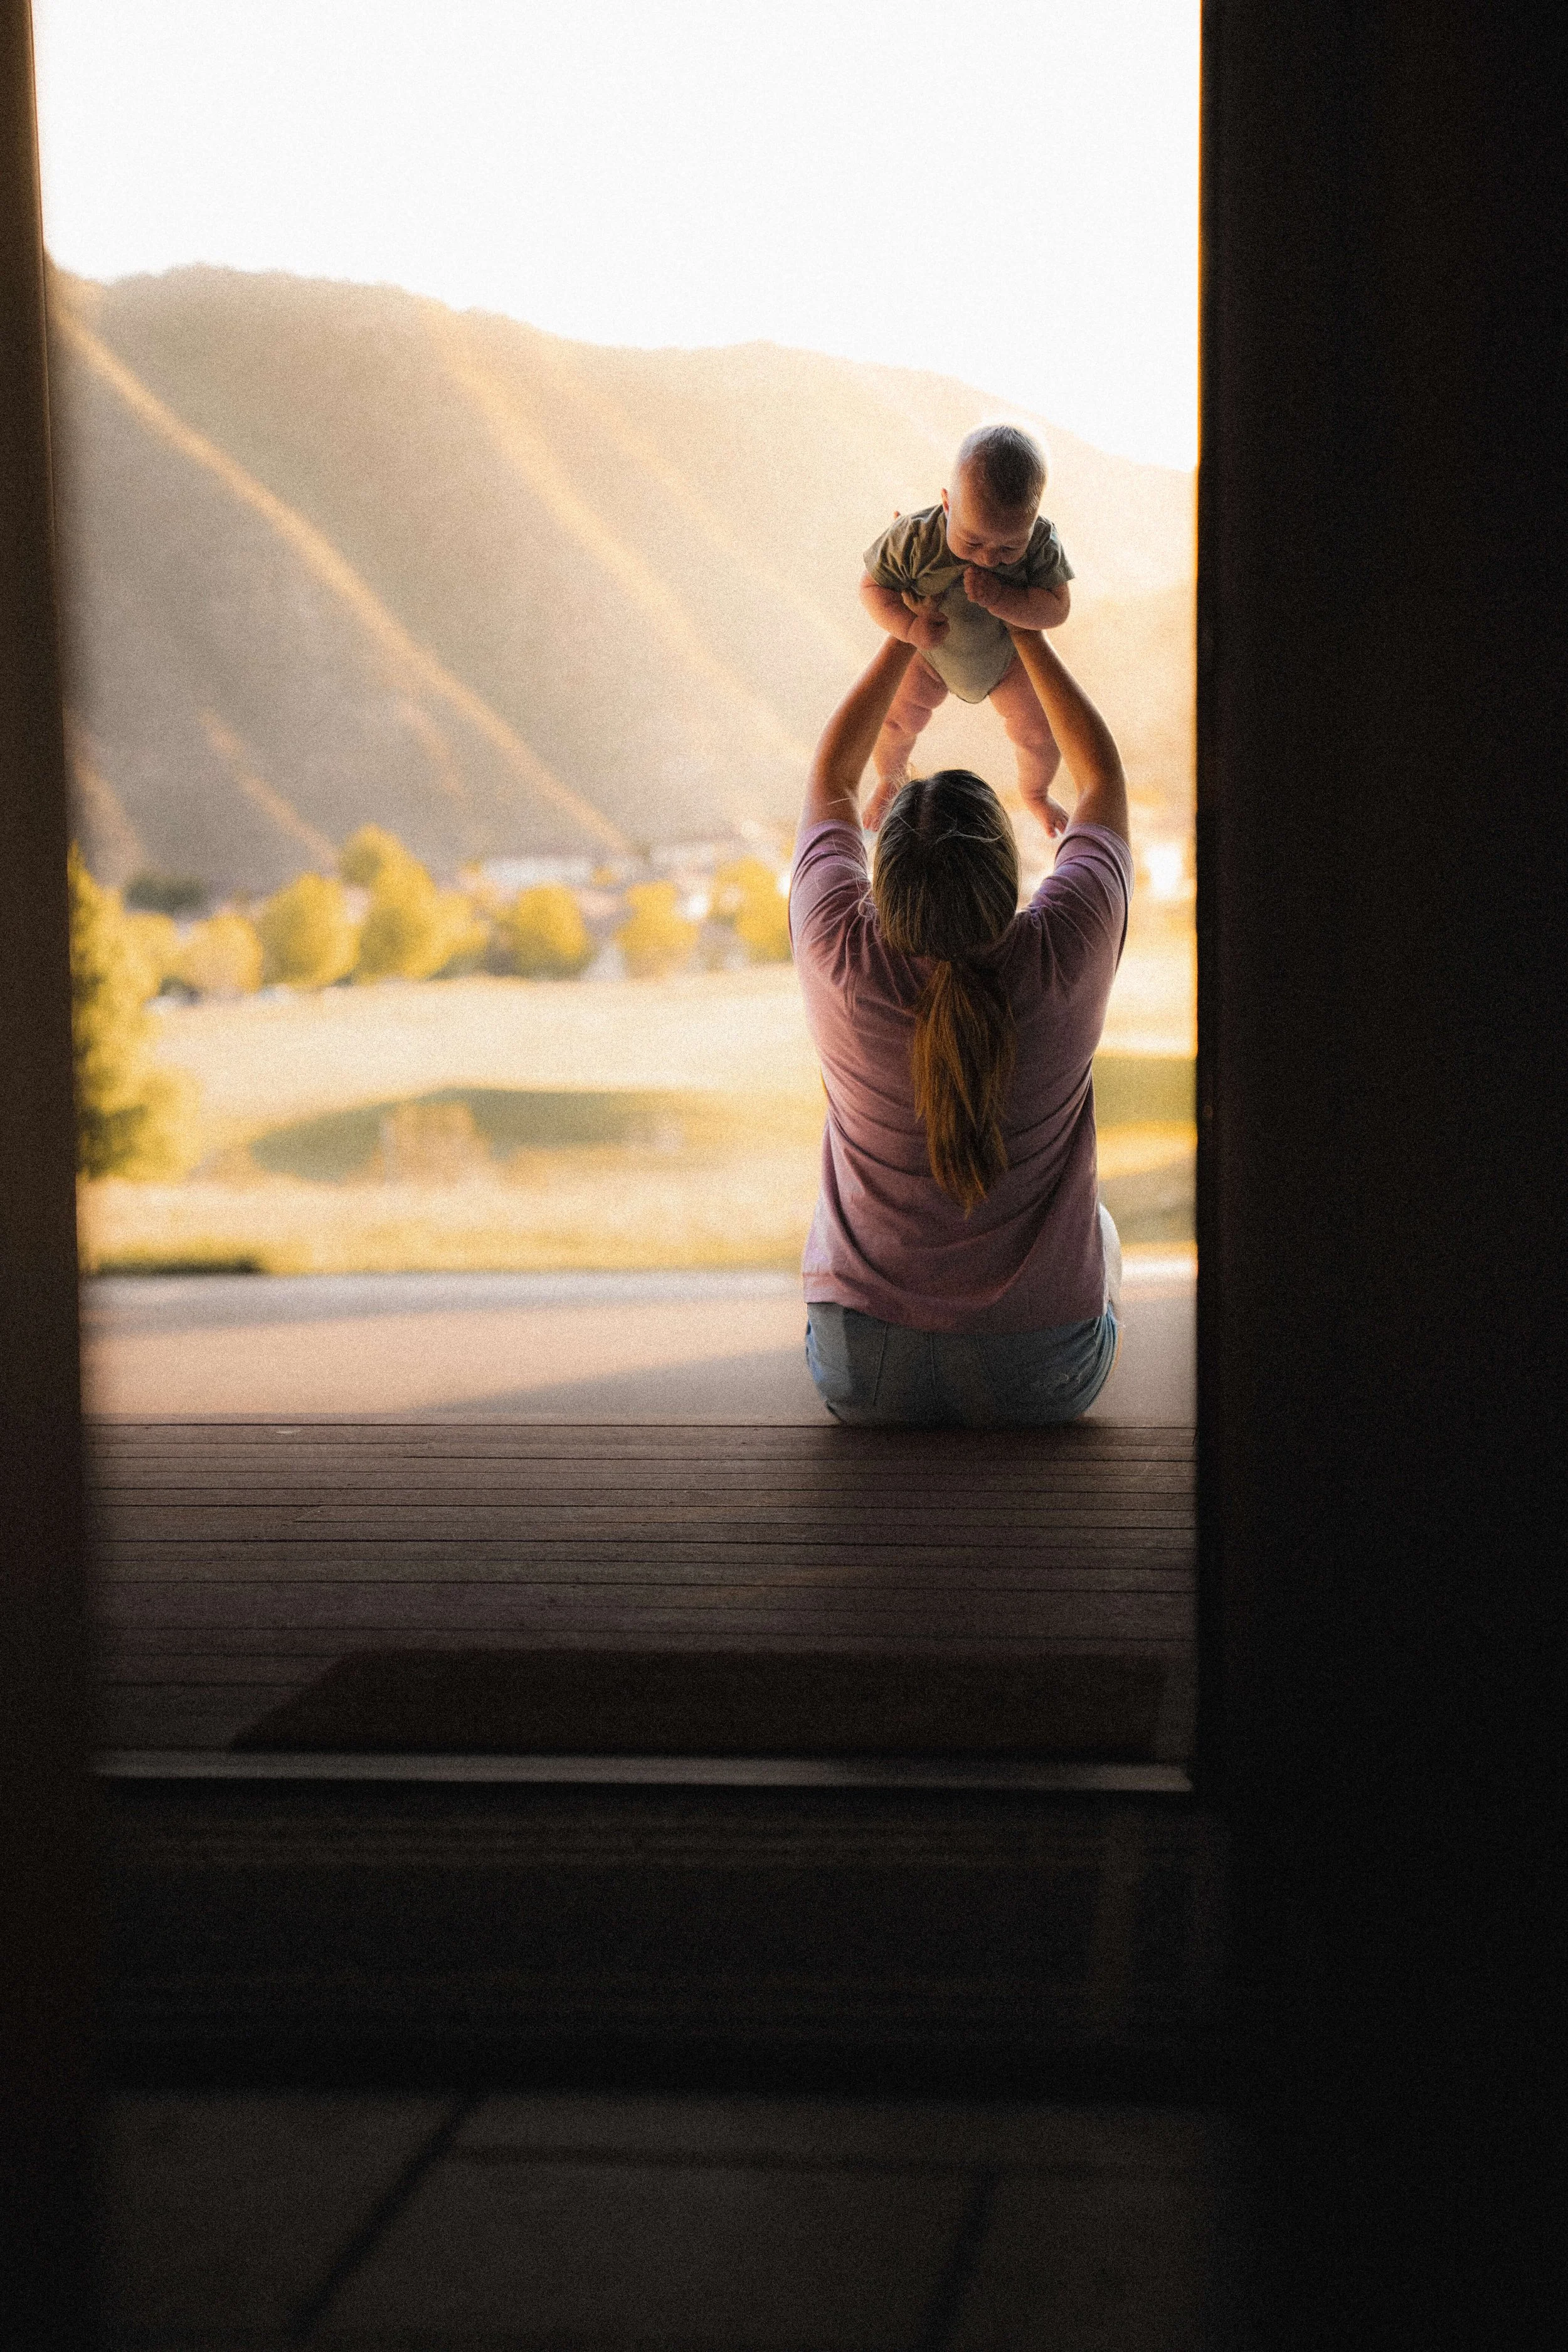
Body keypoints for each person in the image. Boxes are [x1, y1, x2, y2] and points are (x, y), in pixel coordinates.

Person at [789, 617, 1131, 1428]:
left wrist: (912, 631)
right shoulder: (1065, 951)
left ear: (885, 878)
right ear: (1004, 874)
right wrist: (1024, 629)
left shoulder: (838, 952)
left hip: (862, 1372)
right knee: (1103, 1228)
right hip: (1046, 1374)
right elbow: (1101, 782)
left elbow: (831, 779)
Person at [859, 423, 1074, 834]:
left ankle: (1035, 793)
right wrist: (909, 627)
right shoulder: (914, 539)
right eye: (973, 542)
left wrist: (1003, 600)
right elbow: (871, 587)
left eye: (1010, 547)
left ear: (1034, 520)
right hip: (929, 656)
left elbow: (1058, 608)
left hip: (1006, 660)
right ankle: (890, 776)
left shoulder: (1044, 543)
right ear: (946, 504)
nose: (990, 557)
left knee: (1040, 735)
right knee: (894, 720)